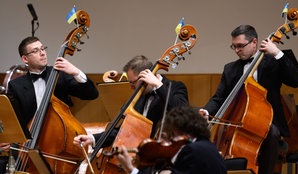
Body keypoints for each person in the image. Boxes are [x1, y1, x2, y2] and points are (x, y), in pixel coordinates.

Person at [199, 25, 298, 174]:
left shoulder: (272, 62)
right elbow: (219, 97)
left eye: (240, 46)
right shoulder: (230, 68)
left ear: (254, 42)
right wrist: (206, 111)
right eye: (234, 47)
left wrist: (277, 53)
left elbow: (297, 80)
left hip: (269, 123)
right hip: (239, 125)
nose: (237, 50)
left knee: (272, 132)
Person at [0, 36, 99, 172]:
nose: (42, 53)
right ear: (25, 59)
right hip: (28, 150)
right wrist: (7, 138)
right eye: (35, 51)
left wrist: (76, 72)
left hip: (59, 146)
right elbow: (13, 120)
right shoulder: (16, 85)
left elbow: (92, 94)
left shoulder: (60, 75)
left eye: (43, 48)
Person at [74, 55, 188, 149]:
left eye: (132, 83)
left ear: (145, 76)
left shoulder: (175, 87)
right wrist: (93, 139)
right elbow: (124, 130)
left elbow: (182, 113)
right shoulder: (138, 97)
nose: (131, 87)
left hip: (166, 156)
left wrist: (158, 86)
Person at [116, 105, 227, 174]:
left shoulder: (192, 150)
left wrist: (131, 169)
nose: (170, 141)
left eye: (172, 134)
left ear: (183, 129)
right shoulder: (208, 146)